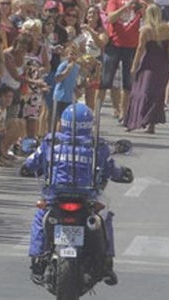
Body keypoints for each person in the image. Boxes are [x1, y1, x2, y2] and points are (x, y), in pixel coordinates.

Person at [22, 102, 127, 285]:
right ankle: (107, 263)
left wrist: (26, 168)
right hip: (88, 198)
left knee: (40, 217)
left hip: (55, 197)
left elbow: (31, 163)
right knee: (105, 218)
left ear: (63, 122)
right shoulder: (97, 145)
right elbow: (112, 169)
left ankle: (37, 259)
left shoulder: (51, 142)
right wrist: (122, 174)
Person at [124, 4, 169, 135]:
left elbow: (140, 49)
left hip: (149, 63)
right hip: (163, 64)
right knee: (157, 94)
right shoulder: (166, 28)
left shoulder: (146, 30)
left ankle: (136, 120)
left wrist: (134, 66)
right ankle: (151, 124)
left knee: (140, 91)